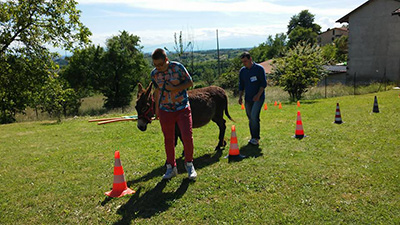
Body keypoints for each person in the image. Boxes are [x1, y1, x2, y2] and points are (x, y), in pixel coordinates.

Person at [150, 48, 197, 180]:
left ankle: (189, 164)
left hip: (182, 108)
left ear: (166, 59)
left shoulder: (178, 67)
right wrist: (157, 109)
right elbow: (157, 92)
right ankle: (171, 167)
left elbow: (190, 83)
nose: (158, 68)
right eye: (155, 65)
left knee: (187, 137)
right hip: (165, 110)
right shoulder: (154, 74)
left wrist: (175, 88)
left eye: (160, 64)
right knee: (168, 140)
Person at [238, 52, 267, 146]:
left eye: (245, 61)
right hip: (248, 98)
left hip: (258, 98)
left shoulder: (259, 69)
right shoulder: (242, 71)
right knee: (250, 118)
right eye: (242, 62)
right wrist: (240, 97)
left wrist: (258, 95)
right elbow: (241, 85)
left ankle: (256, 138)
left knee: (254, 116)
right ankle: (252, 137)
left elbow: (263, 84)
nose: (244, 63)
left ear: (250, 59)